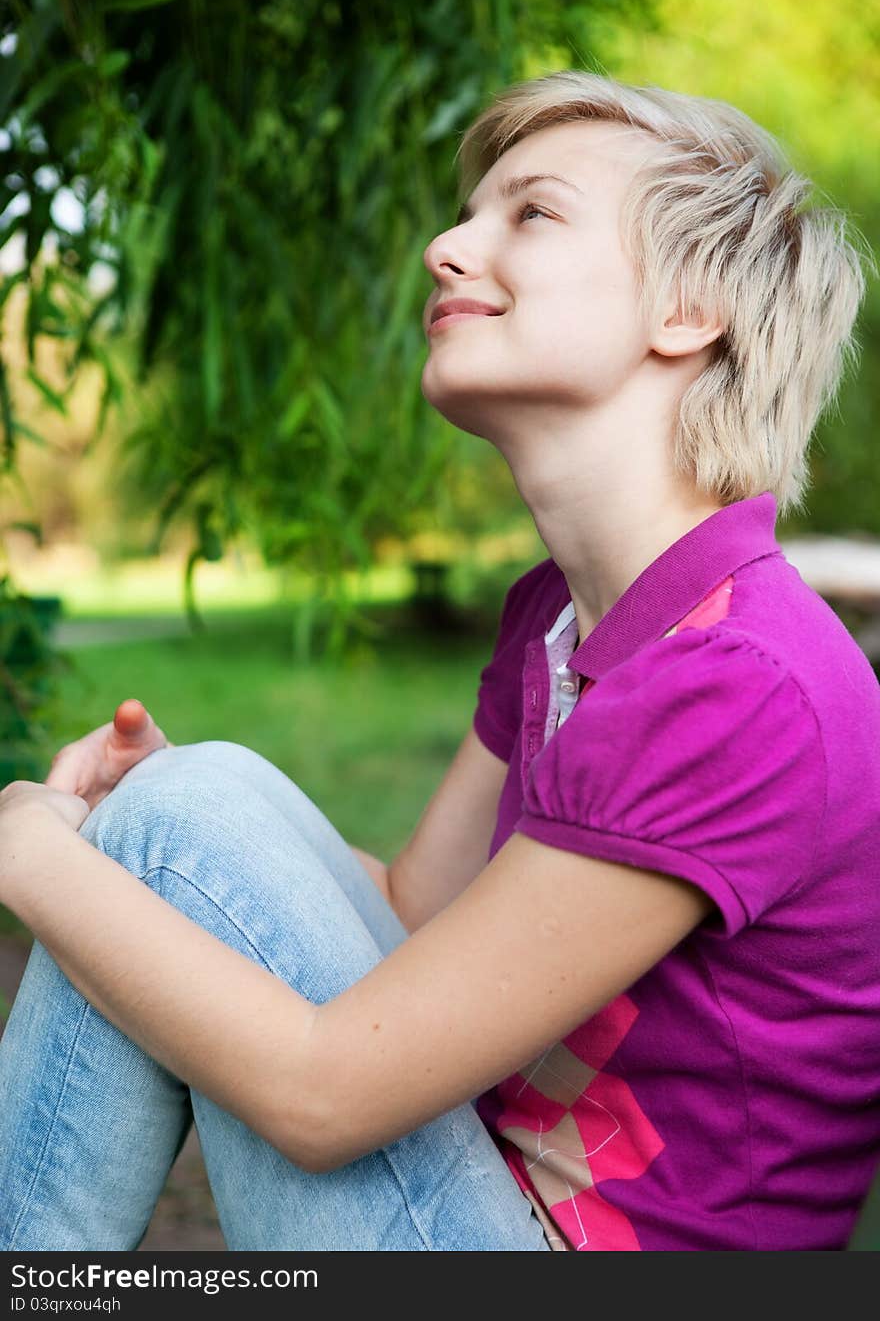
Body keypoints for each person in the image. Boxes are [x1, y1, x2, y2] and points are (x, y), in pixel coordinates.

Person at [1, 69, 878, 1253]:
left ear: (688, 309)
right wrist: (168, 835)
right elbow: (416, 913)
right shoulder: (564, 620)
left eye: (533, 212)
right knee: (183, 806)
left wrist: (34, 856)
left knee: (176, 819)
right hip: (479, 1193)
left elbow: (324, 1096)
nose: (444, 246)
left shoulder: (737, 680)